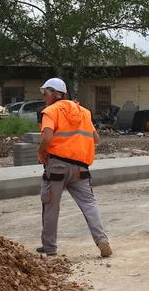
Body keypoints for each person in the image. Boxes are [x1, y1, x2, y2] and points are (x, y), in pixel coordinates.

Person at [36, 78, 112, 258]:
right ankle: (102, 240)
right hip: (81, 168)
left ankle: (50, 247)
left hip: (57, 167)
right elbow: (95, 138)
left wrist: (40, 152)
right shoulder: (84, 112)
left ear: (55, 94)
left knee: (51, 205)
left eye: (45, 93)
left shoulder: (50, 111)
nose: (44, 97)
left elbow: (47, 137)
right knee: (89, 204)